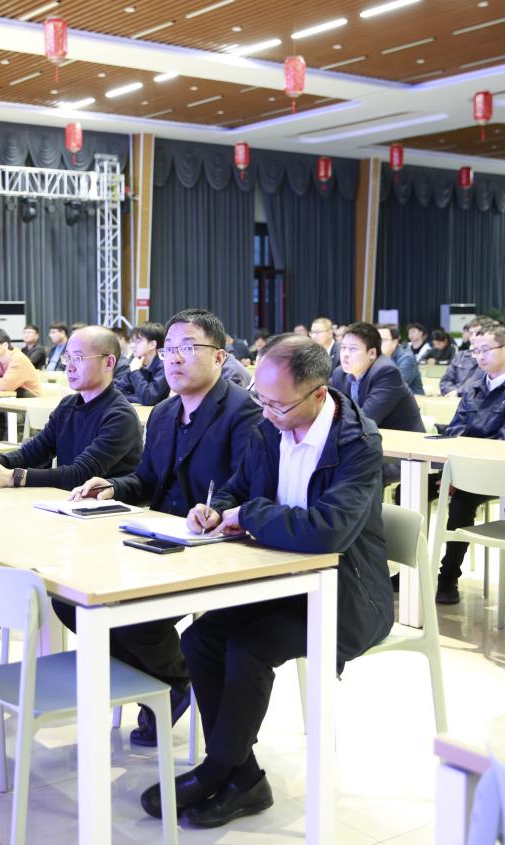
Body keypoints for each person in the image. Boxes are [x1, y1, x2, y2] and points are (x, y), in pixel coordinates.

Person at [139, 334, 392, 827]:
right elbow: (238, 486)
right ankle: (244, 776)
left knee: (248, 649)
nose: (268, 412)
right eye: (262, 398)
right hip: (276, 583)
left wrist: (250, 514)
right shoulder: (269, 424)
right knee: (200, 640)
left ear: (319, 393)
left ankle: (219, 770)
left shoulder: (358, 443)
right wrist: (216, 509)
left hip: (344, 596)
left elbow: (329, 531)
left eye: (279, 404)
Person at [69, 308, 261, 747]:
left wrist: (216, 513)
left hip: (214, 546)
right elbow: (147, 481)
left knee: (132, 618)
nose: (174, 358)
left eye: (188, 348)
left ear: (219, 356)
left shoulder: (242, 412)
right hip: (161, 539)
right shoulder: (163, 412)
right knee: (72, 598)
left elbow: (246, 487)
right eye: (169, 349)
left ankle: (176, 680)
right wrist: (111, 486)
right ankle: (161, 680)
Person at [0, 326, 142, 490]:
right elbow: (33, 452)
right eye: (68, 358)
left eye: (78, 358)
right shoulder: (67, 406)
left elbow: (80, 474)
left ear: (109, 362)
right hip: (69, 503)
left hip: (106, 512)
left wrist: (13, 477)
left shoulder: (119, 415)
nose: (70, 367)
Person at [432, 325, 505, 604]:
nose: (479, 356)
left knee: (462, 500)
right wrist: (455, 469)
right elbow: (455, 430)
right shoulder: (474, 386)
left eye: (486, 350)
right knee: (411, 488)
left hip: (502, 472)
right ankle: (409, 570)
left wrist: (462, 470)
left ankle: (448, 577)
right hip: (465, 467)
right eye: (475, 351)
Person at [328, 322, 424, 435]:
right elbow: (334, 414)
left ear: (372, 353)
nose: (345, 354)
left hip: (404, 440)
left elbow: (366, 420)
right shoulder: (339, 373)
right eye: (343, 348)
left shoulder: (386, 373)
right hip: (366, 438)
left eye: (353, 349)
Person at [115, 321, 170, 405]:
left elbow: (149, 398)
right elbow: (119, 391)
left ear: (152, 344)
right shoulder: (138, 363)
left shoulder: (164, 366)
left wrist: (135, 372)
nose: (132, 345)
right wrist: (139, 398)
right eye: (132, 341)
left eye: (137, 341)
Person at [0, 330, 42, 397]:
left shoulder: (18, 359)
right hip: (10, 395)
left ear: (5, 345)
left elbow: (5, 386)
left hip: (31, 397)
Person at [438, 318, 490, 397]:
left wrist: (458, 392)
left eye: (477, 333)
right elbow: (445, 381)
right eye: (471, 333)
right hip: (452, 398)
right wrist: (452, 392)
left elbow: (481, 384)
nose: (473, 337)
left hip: (475, 401)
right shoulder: (460, 356)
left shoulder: (491, 357)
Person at [378, 324, 423, 395]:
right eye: (377, 340)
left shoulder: (406, 358)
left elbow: (395, 387)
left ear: (394, 342)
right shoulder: (376, 356)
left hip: (414, 400)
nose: (378, 344)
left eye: (383, 340)